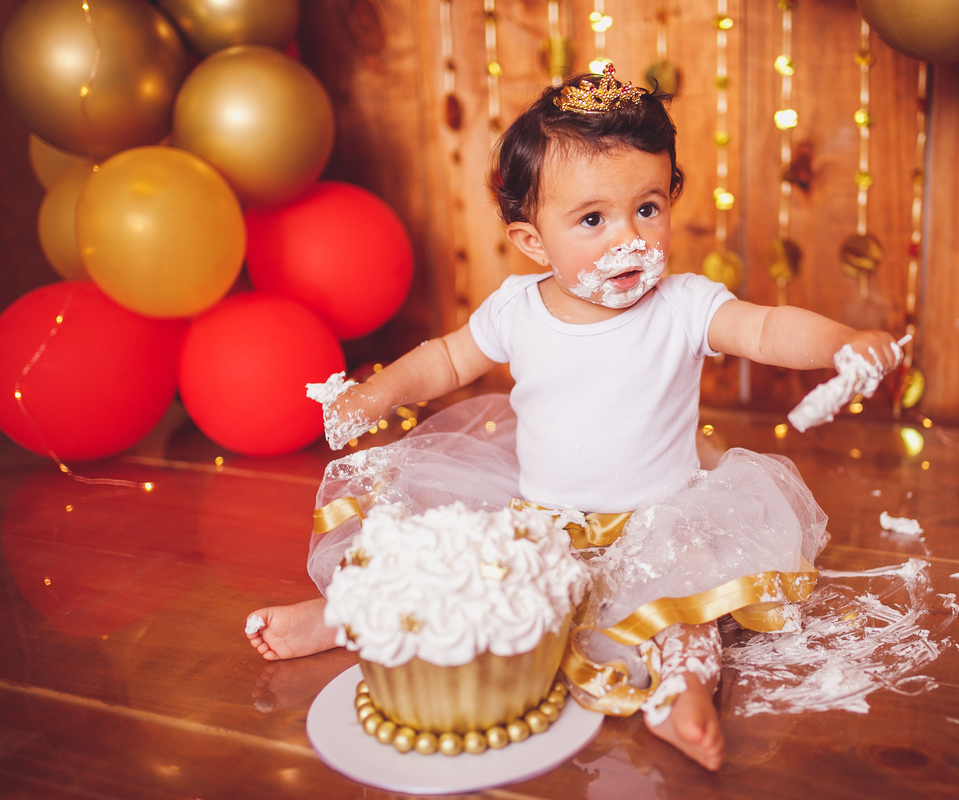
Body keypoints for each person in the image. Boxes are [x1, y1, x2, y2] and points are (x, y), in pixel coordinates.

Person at [247, 64, 901, 772]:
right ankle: (345, 615)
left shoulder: (683, 304)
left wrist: (842, 342)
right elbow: (443, 361)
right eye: (593, 220)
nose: (628, 238)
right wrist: (377, 394)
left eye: (647, 209)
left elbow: (770, 330)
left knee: (688, 615)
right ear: (533, 242)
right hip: (539, 513)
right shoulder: (518, 310)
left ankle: (683, 696)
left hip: (659, 520)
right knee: (446, 564)